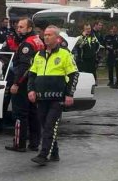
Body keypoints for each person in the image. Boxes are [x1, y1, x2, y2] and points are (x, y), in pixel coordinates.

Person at [27, 25, 79, 166]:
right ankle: (54, 151)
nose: (46, 37)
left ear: (57, 38)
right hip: (41, 97)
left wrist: (69, 94)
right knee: (45, 125)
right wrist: (30, 90)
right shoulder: (39, 55)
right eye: (45, 34)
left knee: (50, 125)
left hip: (57, 98)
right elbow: (32, 75)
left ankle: (44, 154)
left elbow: (74, 74)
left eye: (50, 35)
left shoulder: (64, 54)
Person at [5, 18, 45, 152]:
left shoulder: (27, 44)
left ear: (29, 28)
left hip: (24, 83)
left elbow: (24, 66)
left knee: (20, 115)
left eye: (22, 27)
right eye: (18, 27)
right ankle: (34, 143)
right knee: (34, 113)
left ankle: (19, 143)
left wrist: (16, 83)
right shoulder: (38, 40)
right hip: (36, 81)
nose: (18, 29)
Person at [104, 23, 118, 88]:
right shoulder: (107, 37)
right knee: (110, 68)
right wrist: (108, 48)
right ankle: (111, 81)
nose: (112, 31)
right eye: (111, 30)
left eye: (114, 30)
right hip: (110, 54)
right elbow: (106, 45)